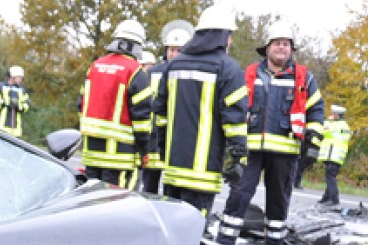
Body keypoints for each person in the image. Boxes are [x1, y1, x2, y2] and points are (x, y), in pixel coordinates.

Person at [215, 21, 325, 245]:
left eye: (286, 44)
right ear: (267, 48)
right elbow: (233, 106)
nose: (282, 48)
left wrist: (314, 142)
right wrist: (233, 144)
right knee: (239, 196)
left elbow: (316, 110)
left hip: (286, 152)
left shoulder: (303, 77)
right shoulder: (249, 74)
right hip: (250, 149)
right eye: (277, 43)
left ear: (292, 49)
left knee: (279, 201)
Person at [153, 7, 247, 217]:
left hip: (173, 168)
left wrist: (162, 147)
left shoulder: (174, 64)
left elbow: (159, 113)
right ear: (225, 37)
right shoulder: (228, 69)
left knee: (170, 229)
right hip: (203, 174)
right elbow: (235, 121)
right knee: (192, 235)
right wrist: (238, 158)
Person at [79, 19, 152, 189]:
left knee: (90, 205)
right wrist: (144, 151)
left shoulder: (95, 67)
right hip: (120, 157)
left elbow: (81, 105)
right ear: (138, 45)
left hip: (91, 154)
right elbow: (142, 120)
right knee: (117, 209)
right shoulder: (135, 72)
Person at [142, 19, 193, 195]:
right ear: (166, 51)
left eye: (179, 50)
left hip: (176, 138)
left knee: (173, 188)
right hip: (154, 137)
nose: (175, 54)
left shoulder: (190, 74)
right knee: (149, 187)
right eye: (172, 50)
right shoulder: (152, 72)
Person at [317, 104, 351, 206]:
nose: (331, 115)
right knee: (330, 175)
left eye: (333, 113)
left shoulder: (336, 125)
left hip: (334, 154)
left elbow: (324, 131)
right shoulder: (343, 125)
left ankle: (334, 199)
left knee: (330, 176)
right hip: (335, 155)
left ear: (337, 115)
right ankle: (326, 197)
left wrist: (328, 121)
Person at [0, 65, 30, 137]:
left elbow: (27, 104)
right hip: (1, 128)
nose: (21, 80)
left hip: (15, 131)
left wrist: (18, 106)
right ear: (13, 77)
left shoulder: (22, 90)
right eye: (19, 77)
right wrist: (6, 103)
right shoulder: (0, 87)